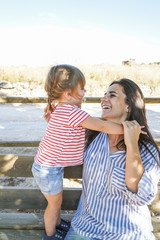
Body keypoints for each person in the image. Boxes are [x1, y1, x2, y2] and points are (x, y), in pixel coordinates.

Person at [32, 64, 129, 240]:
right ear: (68, 94)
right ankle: (50, 235)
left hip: (48, 167)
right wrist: (126, 129)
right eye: (82, 89)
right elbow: (100, 125)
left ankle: (58, 222)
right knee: (54, 204)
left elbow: (75, 126)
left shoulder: (62, 109)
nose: (85, 92)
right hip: (48, 169)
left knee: (57, 201)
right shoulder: (71, 111)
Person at [65, 78, 160, 240]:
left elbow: (142, 196)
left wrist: (131, 144)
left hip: (127, 233)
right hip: (85, 229)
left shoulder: (146, 148)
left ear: (129, 105)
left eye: (112, 95)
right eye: (104, 95)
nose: (104, 99)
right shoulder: (92, 137)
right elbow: (61, 149)